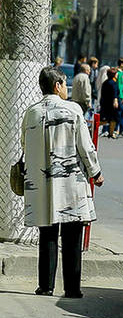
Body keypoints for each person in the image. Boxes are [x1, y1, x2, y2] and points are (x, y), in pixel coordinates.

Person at [21, 66, 104, 298]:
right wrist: (95, 172)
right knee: (72, 235)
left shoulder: (31, 112)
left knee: (47, 234)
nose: (66, 89)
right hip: (71, 183)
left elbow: (24, 145)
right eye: (64, 84)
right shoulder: (73, 110)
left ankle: (45, 286)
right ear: (57, 86)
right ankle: (72, 288)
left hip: (41, 184)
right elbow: (86, 147)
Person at [100, 67, 120, 138]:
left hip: (104, 103)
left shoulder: (105, 82)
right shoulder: (113, 83)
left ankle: (111, 133)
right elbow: (115, 93)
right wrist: (115, 101)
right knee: (112, 119)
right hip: (111, 104)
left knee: (108, 119)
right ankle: (111, 133)